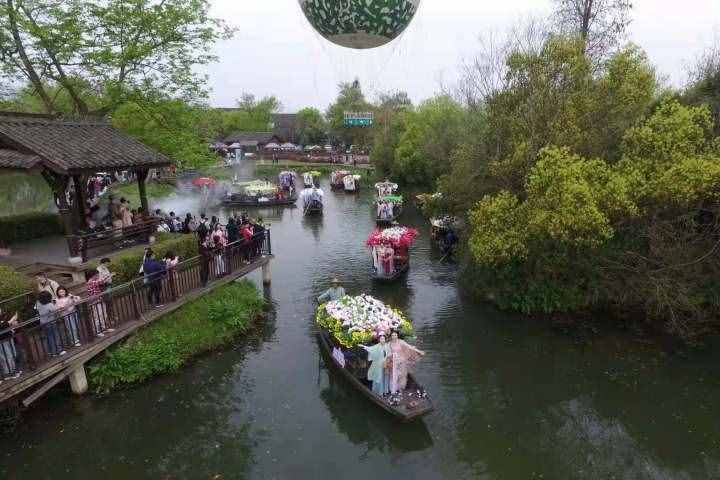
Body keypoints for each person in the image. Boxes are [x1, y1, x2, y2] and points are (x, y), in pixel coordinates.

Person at [35, 291, 64, 356]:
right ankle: (58, 350)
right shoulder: (49, 305)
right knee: (54, 336)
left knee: (48, 337)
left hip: (43, 323)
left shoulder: (38, 304)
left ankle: (50, 351)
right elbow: (56, 311)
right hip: (51, 323)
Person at [85, 268, 111, 337]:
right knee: (97, 316)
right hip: (95, 301)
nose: (98, 275)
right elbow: (101, 281)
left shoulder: (95, 280)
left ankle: (104, 328)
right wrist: (109, 275)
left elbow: (101, 282)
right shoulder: (90, 282)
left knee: (104, 314)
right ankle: (97, 331)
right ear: (93, 275)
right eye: (97, 274)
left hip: (100, 299)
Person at [0, 308, 21, 381]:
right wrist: (11, 321)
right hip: (2, 340)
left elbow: (4, 325)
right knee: (7, 356)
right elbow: (2, 326)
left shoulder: (2, 316)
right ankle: (8, 374)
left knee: (12, 354)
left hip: (8, 337)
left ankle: (14, 370)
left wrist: (12, 324)